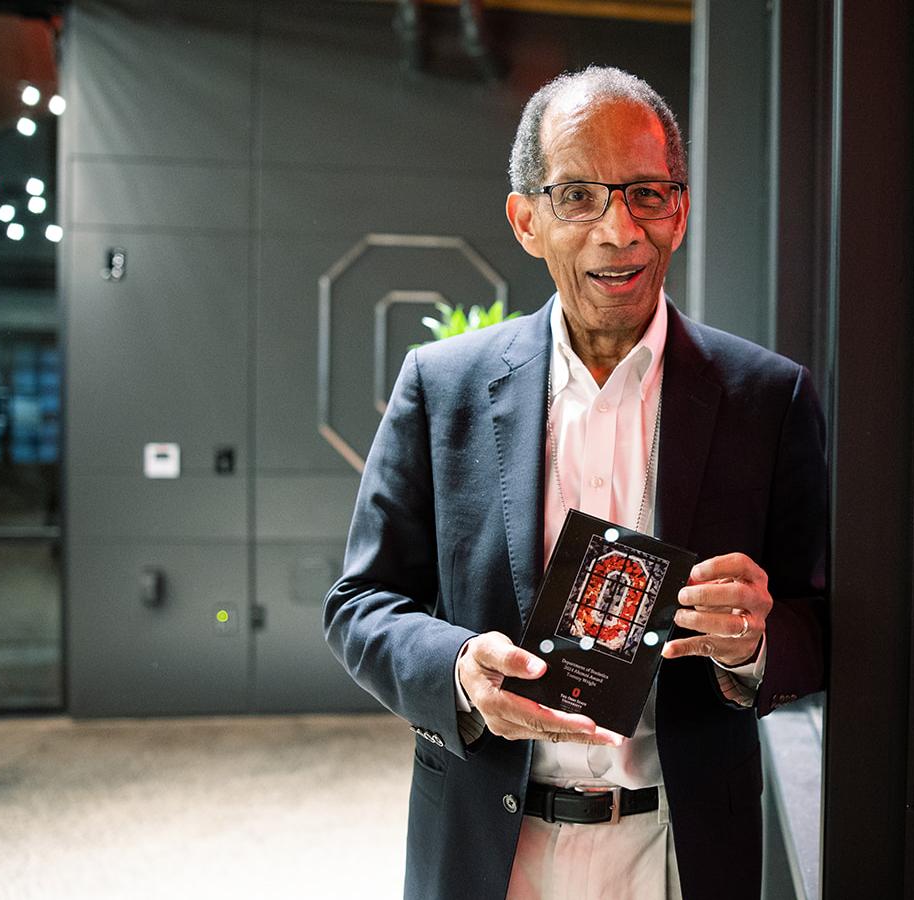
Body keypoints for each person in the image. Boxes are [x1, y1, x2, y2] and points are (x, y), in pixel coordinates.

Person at [324, 66, 828, 900]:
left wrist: (755, 643)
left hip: (680, 849)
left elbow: (824, 618)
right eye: (579, 197)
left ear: (682, 210)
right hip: (490, 849)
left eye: (646, 194)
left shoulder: (766, 398)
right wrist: (458, 669)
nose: (618, 230)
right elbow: (360, 603)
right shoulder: (440, 386)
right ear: (527, 220)